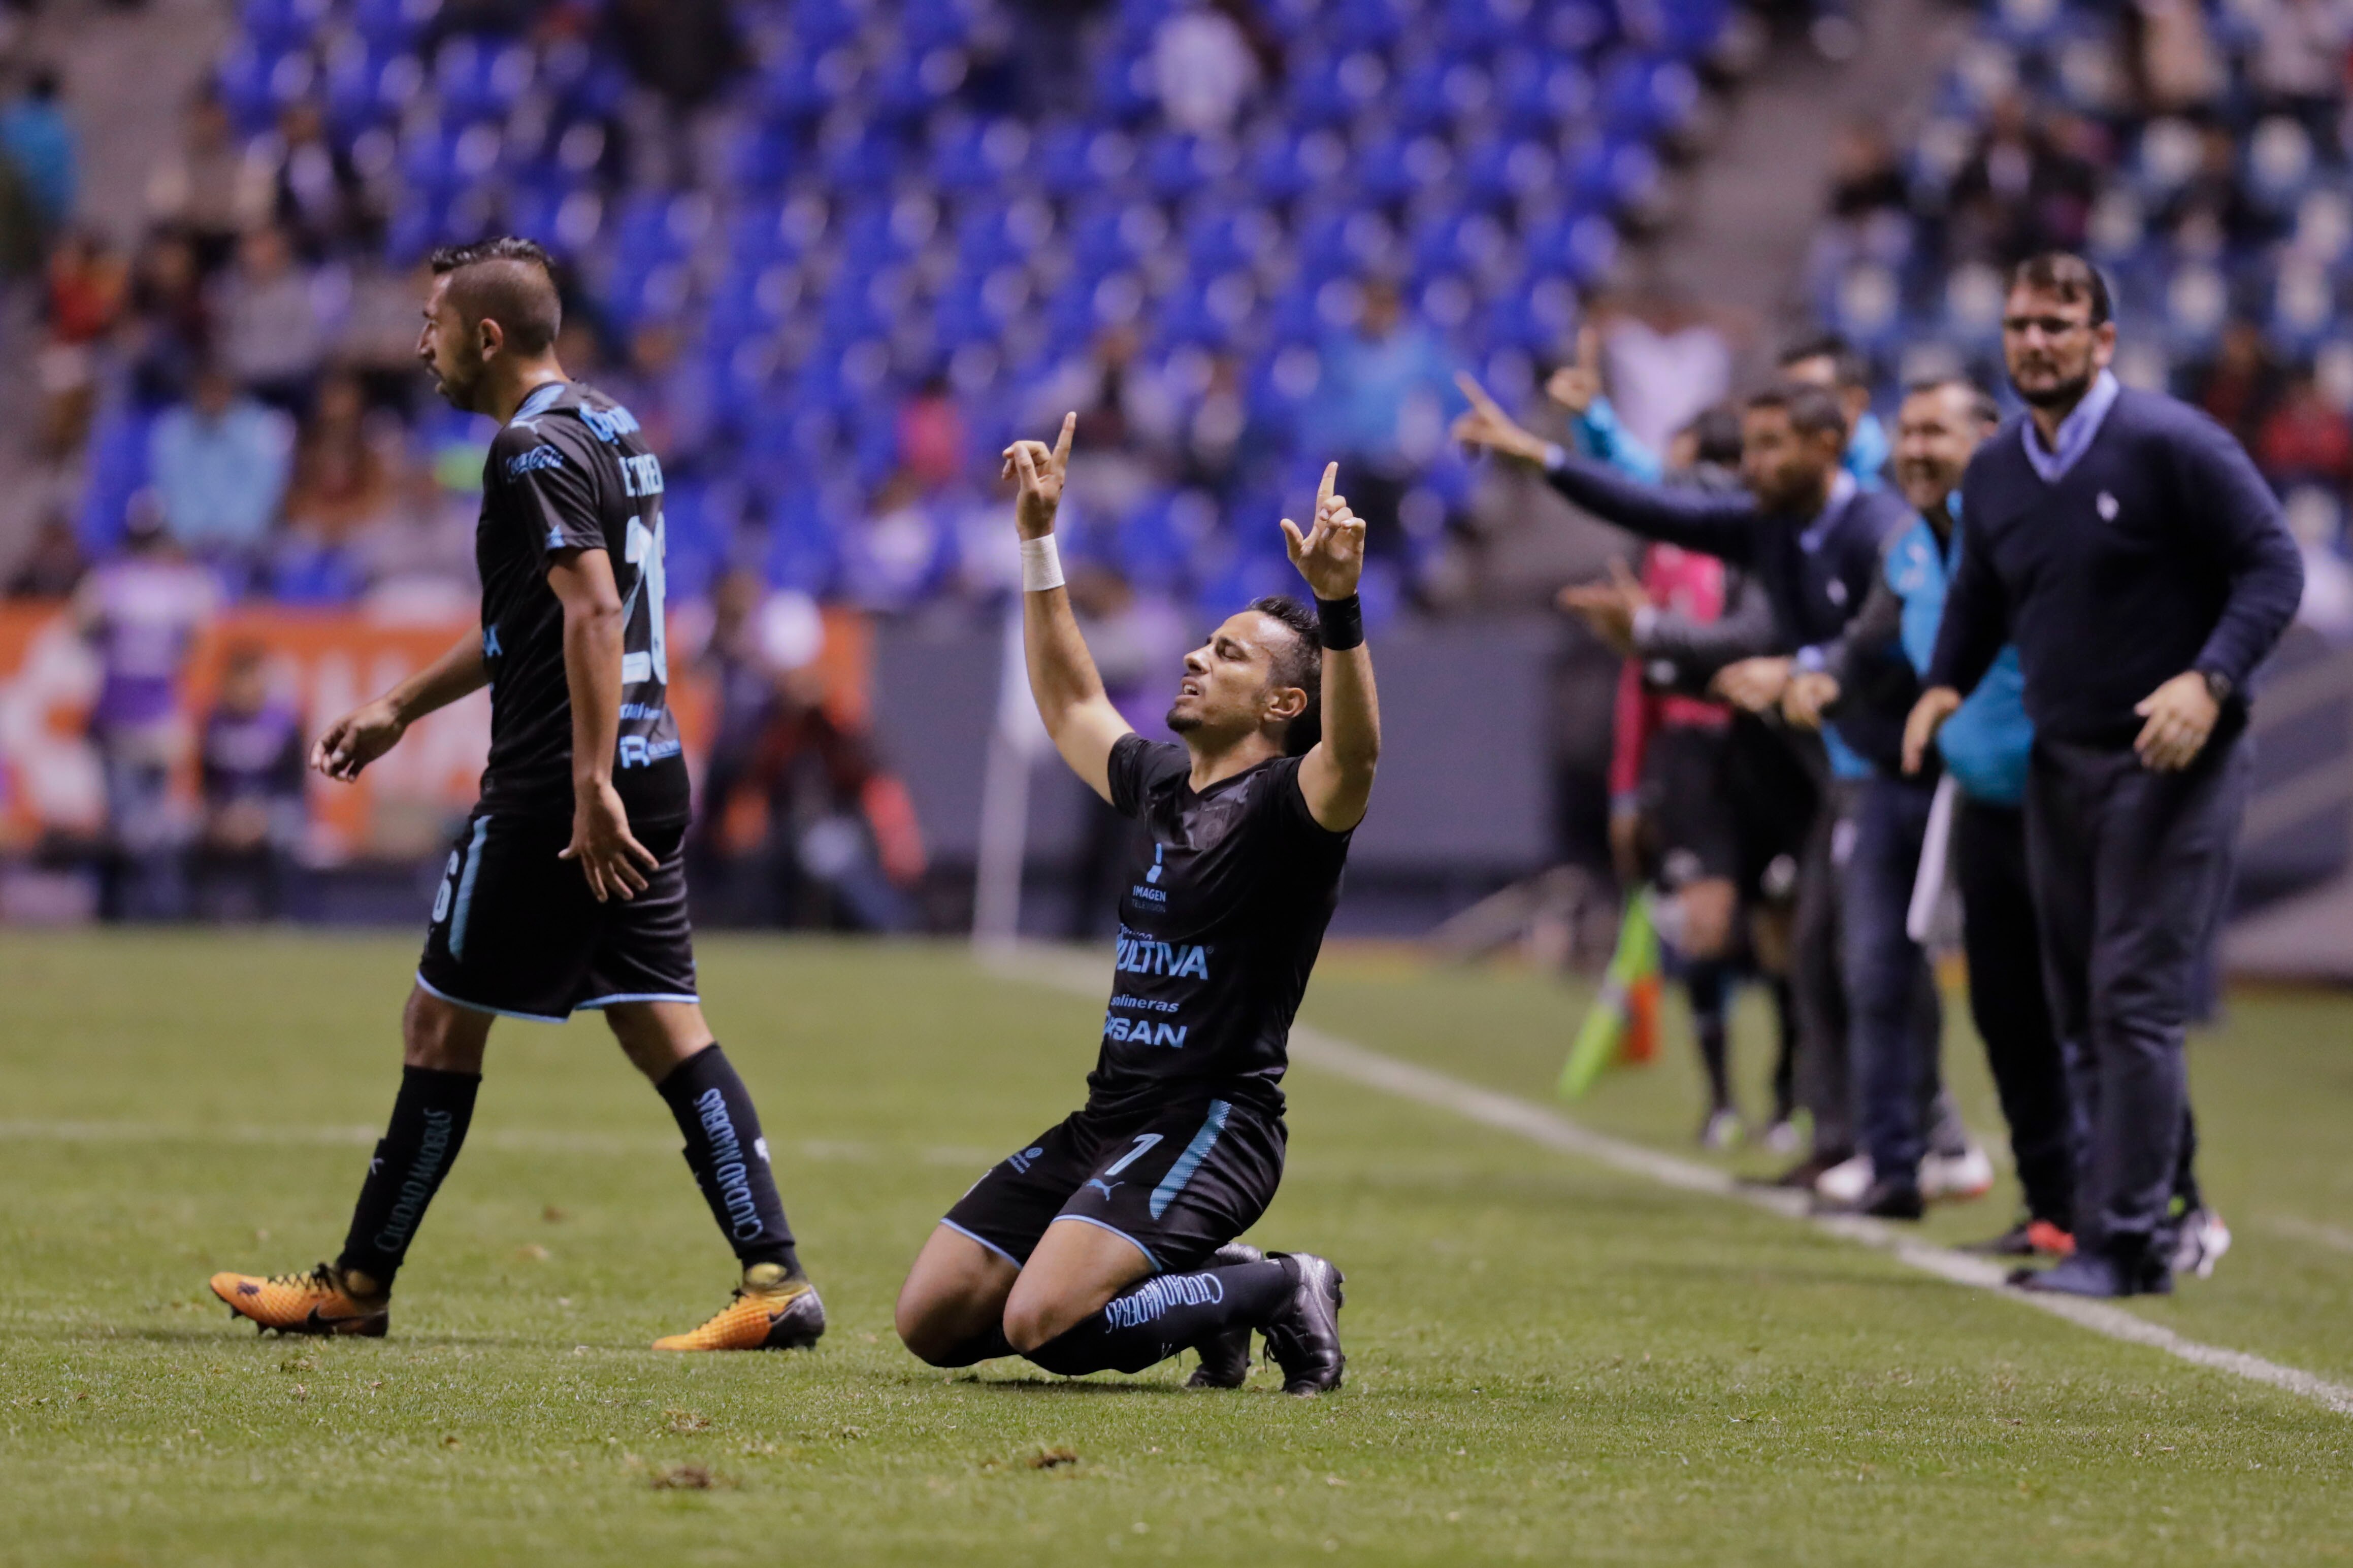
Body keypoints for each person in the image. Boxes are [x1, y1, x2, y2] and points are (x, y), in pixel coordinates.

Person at [208, 238, 824, 1352]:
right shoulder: (612, 427)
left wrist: (585, 784)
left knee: (439, 1020)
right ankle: (776, 1275)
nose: (420, 346)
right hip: (649, 759)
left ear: (486, 336)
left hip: (558, 785)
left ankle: (356, 1282)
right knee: (662, 1022)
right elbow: (531, 625)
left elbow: (591, 610)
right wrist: (402, 704)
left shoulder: (527, 453)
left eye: (433, 324)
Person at [893, 424, 1376, 1395]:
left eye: (1229, 654)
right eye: (1204, 642)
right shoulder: (1164, 783)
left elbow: (1356, 753)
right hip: (1106, 1118)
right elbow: (1072, 703)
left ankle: (1278, 1284)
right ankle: (1213, 1286)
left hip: (1212, 1127)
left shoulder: (1296, 804)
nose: (1196, 656)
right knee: (932, 1320)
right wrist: (1037, 541)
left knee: (1043, 1322)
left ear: (1283, 704)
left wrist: (1337, 604)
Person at [1906, 251, 2303, 1297]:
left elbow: (2273, 566)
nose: (2035, 341)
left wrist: (2208, 678)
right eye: (2020, 323)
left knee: (2131, 998)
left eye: (2058, 323)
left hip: (2173, 755)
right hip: (2059, 756)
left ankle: (2123, 1240)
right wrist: (1941, 683)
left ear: (2104, 339)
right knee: (2080, 1004)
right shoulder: (1994, 470)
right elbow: (1982, 587)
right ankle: (2139, 1215)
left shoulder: (2171, 443)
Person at [1452, 374, 1909, 1191]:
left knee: (1861, 957)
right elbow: (1661, 511)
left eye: (1770, 447)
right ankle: (1847, 1142)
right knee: (1824, 952)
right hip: (1834, 768)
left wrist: (1791, 665)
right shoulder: (1776, 525)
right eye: (1750, 446)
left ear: (1829, 443)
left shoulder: (1872, 527)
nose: (1753, 467)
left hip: (1889, 768)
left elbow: (1873, 638)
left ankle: (1909, 1141)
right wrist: (1546, 461)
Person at [1785, 377, 2066, 1226]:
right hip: (1933, 786)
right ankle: (1898, 1165)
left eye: (1932, 432)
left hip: (2044, 791)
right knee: (1891, 976)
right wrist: (1813, 675)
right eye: (1904, 431)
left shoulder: (2025, 533)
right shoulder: (1909, 545)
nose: (1912, 448)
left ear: (1984, 440)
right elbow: (1866, 644)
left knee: (2067, 1000)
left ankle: (2113, 1198)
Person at [191, 641, 306, 921]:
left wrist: (258, 818)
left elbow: (293, 787)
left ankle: (283, 917)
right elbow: (207, 784)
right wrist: (221, 817)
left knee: (285, 834)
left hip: (272, 811)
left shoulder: (283, 724)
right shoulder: (216, 723)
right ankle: (195, 915)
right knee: (177, 833)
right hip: (225, 814)